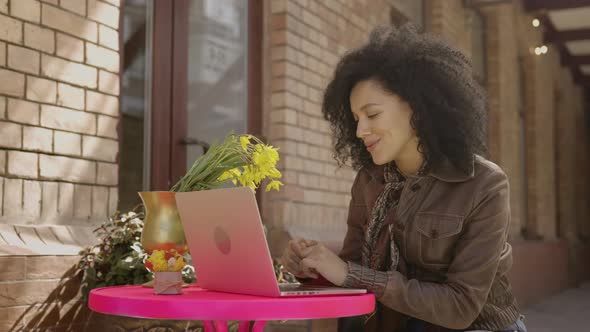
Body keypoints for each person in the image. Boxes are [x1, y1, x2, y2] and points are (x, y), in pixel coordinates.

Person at [280, 24, 527, 332]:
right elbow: (352, 272)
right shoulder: (369, 181)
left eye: (372, 115)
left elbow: (461, 307)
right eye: (355, 119)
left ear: (417, 109)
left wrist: (347, 273)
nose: (360, 132)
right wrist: (311, 267)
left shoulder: (484, 184)